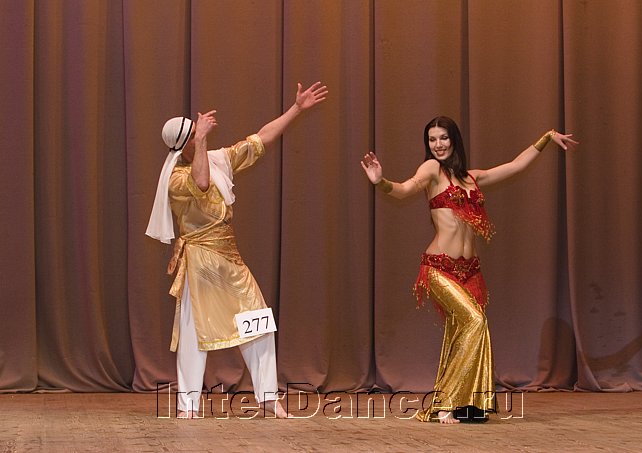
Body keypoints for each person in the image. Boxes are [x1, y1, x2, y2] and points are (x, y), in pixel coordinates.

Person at [360, 116, 577, 424]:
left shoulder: (472, 177)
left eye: (443, 138)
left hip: (470, 272)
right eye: (432, 139)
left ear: (454, 140)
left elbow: (515, 166)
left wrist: (546, 138)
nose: (438, 144)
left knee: (468, 331)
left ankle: (468, 405)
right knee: (474, 322)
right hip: (439, 268)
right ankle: (446, 404)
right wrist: (380, 181)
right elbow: (405, 189)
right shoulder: (431, 170)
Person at [146, 81, 328, 419]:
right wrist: (201, 140)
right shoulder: (175, 178)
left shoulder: (218, 160)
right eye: (194, 135)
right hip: (199, 261)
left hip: (229, 258)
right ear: (183, 145)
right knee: (194, 331)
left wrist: (296, 109)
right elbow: (200, 183)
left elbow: (260, 139)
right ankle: (188, 405)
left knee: (257, 321)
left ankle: (268, 397)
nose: (201, 135)